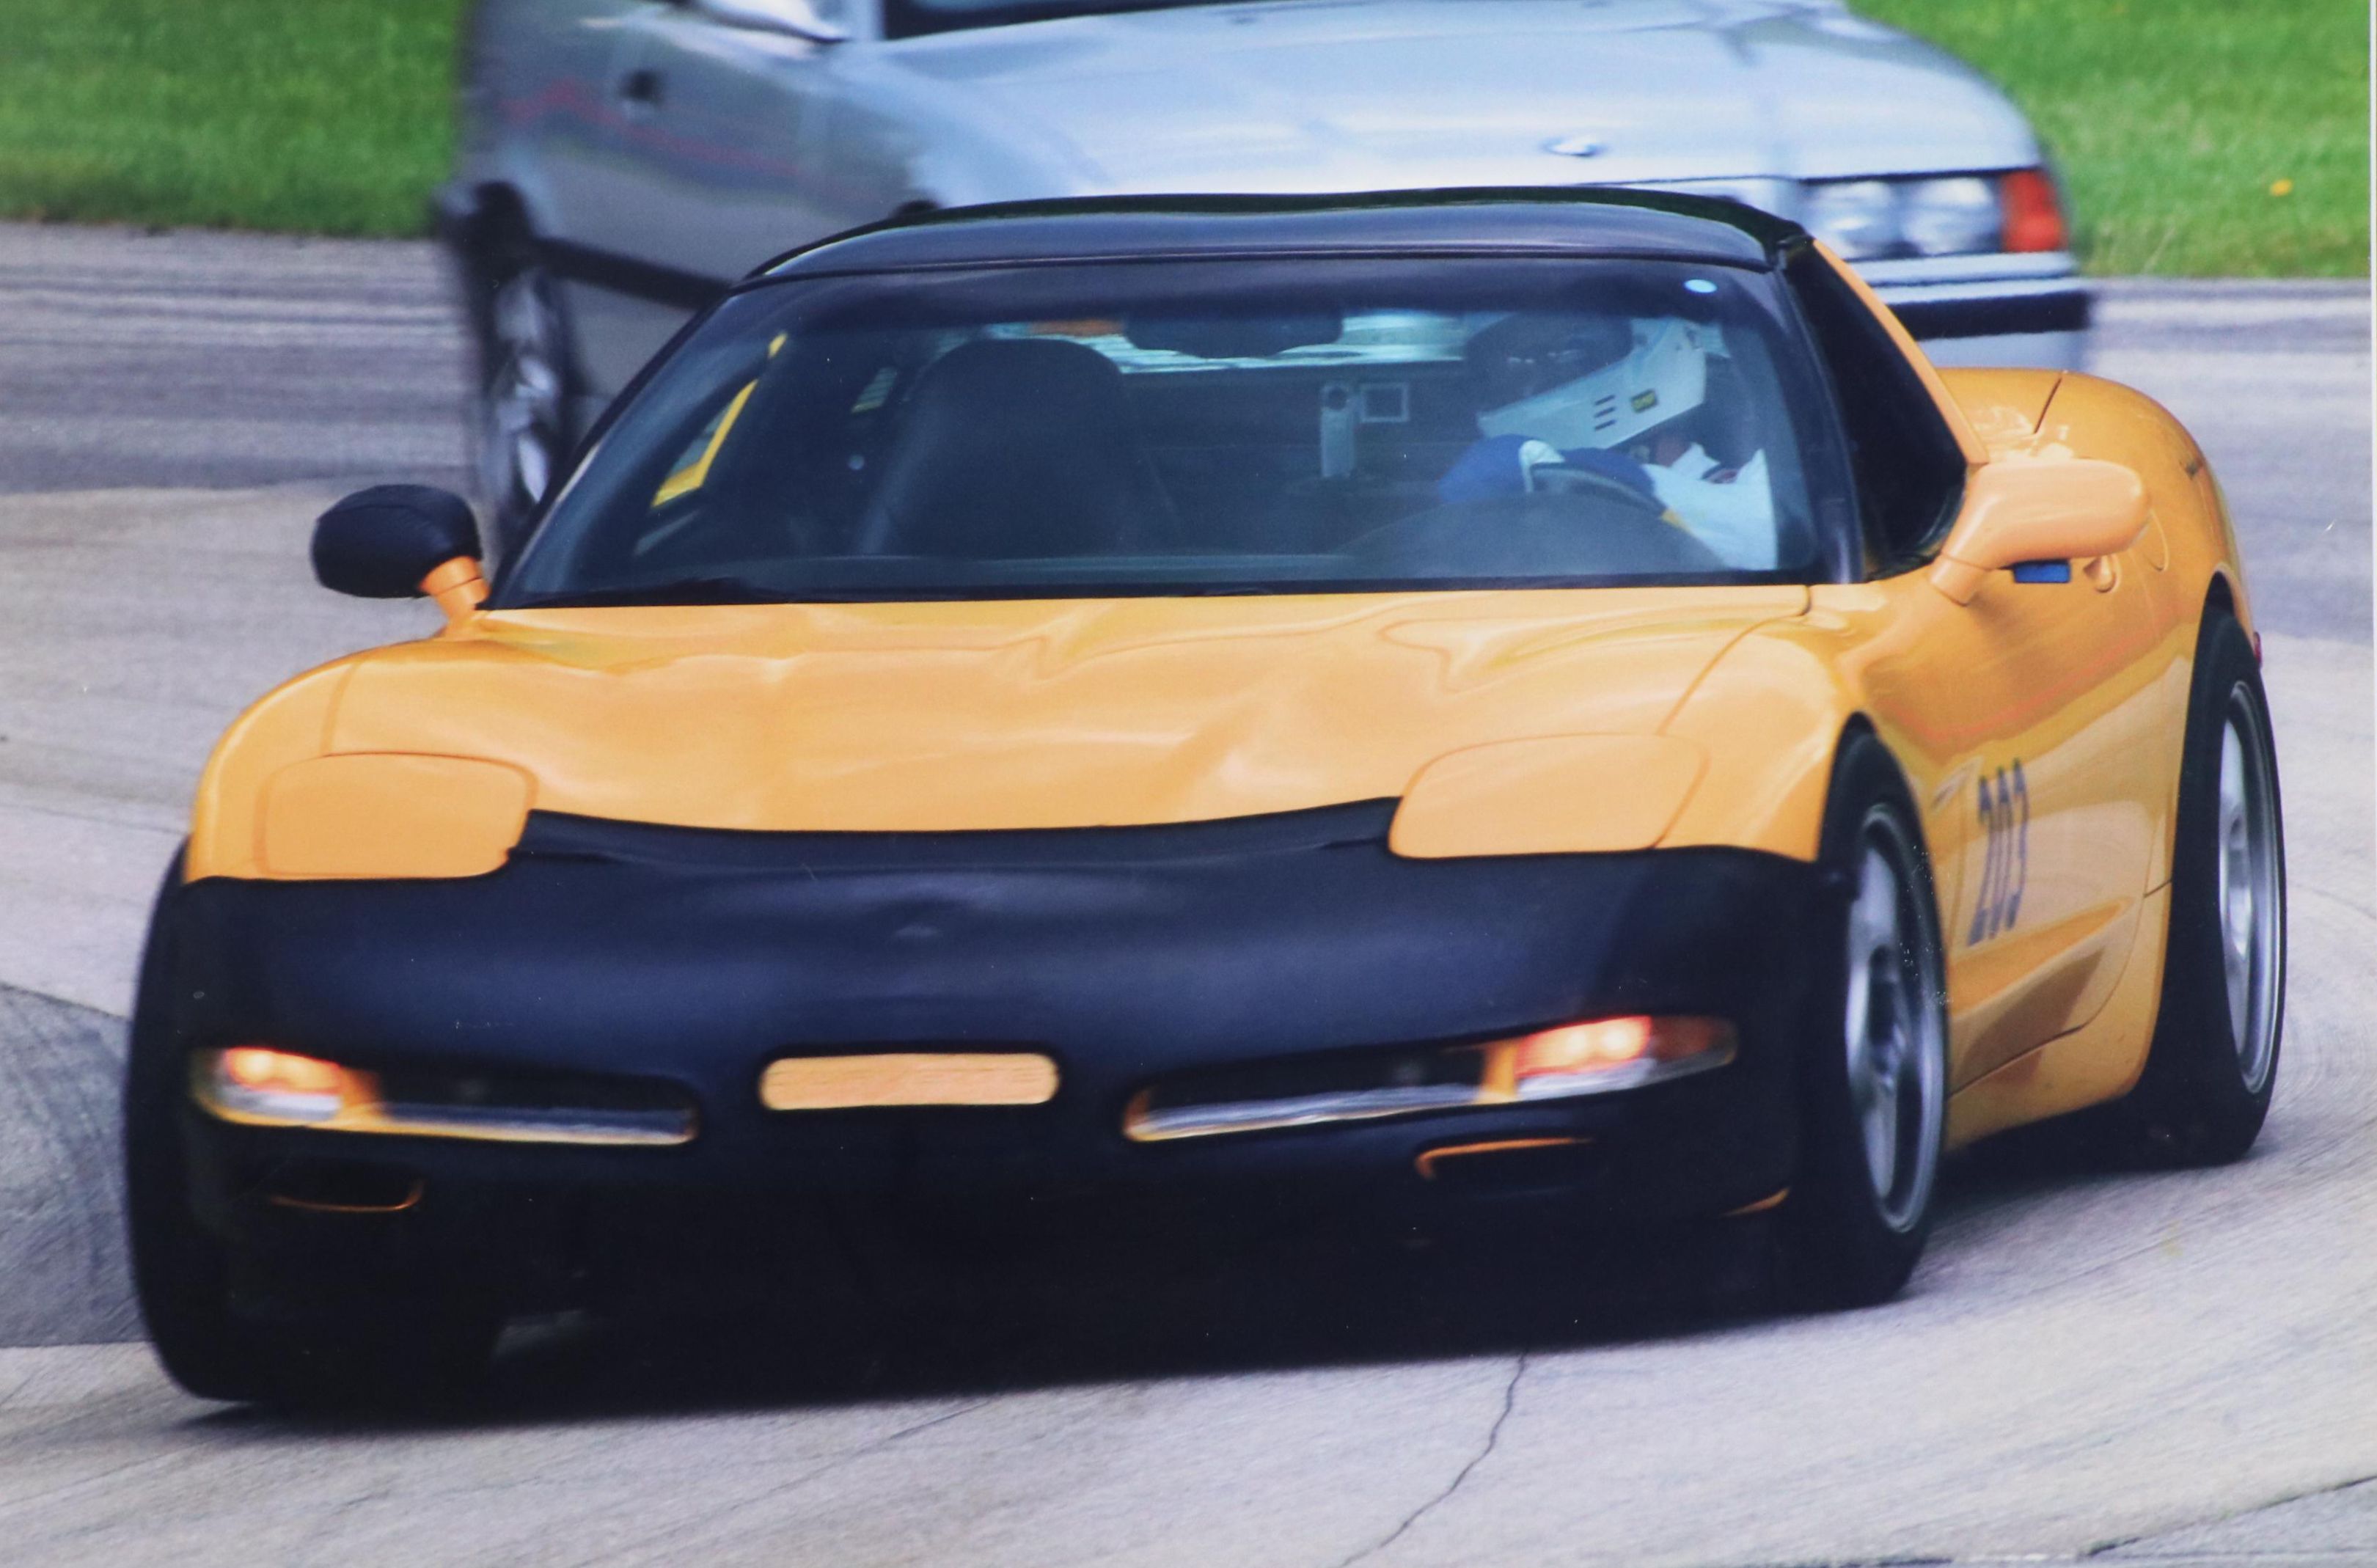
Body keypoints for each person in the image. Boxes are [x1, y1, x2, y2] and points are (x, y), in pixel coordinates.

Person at [1439, 312, 1777, 569]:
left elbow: (1764, 535)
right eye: (1514, 366)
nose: (1534, 379)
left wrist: (1622, 482)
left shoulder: (1762, 483)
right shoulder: (1505, 504)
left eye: (1569, 353)